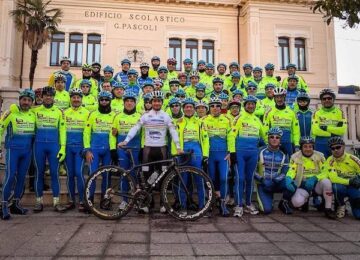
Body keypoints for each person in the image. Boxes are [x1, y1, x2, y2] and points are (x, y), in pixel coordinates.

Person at [118, 91, 183, 213]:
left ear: (162, 102)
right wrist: (126, 140)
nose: (157, 103)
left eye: (159, 101)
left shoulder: (166, 116)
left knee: (163, 177)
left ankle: (164, 204)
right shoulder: (146, 115)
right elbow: (135, 128)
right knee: (147, 178)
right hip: (148, 150)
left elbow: (173, 131)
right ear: (151, 102)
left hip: (162, 150)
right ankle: (147, 204)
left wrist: (178, 146)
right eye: (154, 101)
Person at [0, 89, 36, 220]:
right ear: (20, 100)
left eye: (29, 100)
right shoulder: (10, 112)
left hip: (26, 152)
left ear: (32, 102)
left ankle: (15, 204)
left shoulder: (33, 115)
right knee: (10, 177)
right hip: (13, 150)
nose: (26, 102)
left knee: (21, 178)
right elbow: (0, 128)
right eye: (24, 99)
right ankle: (3, 206)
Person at [230, 95, 265, 217]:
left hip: (253, 154)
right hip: (240, 153)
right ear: (244, 106)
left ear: (255, 106)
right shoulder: (239, 118)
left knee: (250, 179)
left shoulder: (257, 120)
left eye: (253, 104)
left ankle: (248, 203)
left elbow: (264, 137)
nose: (251, 106)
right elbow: (232, 136)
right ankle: (238, 205)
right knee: (240, 179)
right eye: (248, 104)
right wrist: (232, 152)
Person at [33, 87, 67, 213]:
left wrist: (63, 147)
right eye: (46, 95)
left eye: (51, 95)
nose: (48, 97)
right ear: (42, 97)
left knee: (54, 173)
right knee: (39, 173)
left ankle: (56, 202)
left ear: (54, 97)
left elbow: (62, 131)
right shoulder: (35, 111)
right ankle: (38, 202)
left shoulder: (59, 112)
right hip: (39, 146)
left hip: (54, 146)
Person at [173, 98, 209, 214]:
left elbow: (205, 139)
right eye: (186, 107)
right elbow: (174, 139)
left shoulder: (200, 122)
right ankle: (183, 207)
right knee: (183, 181)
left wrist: (205, 155)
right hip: (182, 153)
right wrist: (175, 152)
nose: (188, 109)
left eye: (191, 107)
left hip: (196, 153)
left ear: (194, 109)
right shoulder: (178, 122)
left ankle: (202, 207)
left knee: (199, 181)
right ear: (183, 109)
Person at [286, 137, 336, 219]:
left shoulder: (320, 156)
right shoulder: (295, 157)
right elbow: (292, 170)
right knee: (296, 203)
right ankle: (305, 201)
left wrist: (315, 178)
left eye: (310, 146)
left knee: (327, 182)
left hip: (317, 184)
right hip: (303, 184)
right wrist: (288, 178)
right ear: (301, 147)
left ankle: (328, 209)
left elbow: (326, 172)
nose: (308, 149)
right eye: (305, 146)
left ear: (313, 147)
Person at [83, 91, 116, 206]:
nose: (104, 102)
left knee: (107, 176)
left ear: (110, 101)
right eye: (102, 99)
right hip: (94, 150)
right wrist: (87, 149)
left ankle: (105, 200)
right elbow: (86, 133)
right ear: (98, 101)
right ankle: (89, 200)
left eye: (106, 100)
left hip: (108, 150)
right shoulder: (92, 114)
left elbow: (115, 133)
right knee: (92, 174)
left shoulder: (114, 115)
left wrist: (113, 150)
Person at [110, 91, 141, 210]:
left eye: (131, 101)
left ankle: (136, 200)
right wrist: (113, 149)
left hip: (136, 148)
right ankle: (124, 201)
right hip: (122, 149)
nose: (129, 103)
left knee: (135, 174)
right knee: (124, 174)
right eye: (127, 101)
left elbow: (143, 134)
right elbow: (112, 134)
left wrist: (143, 148)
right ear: (124, 103)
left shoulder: (139, 116)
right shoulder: (117, 116)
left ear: (135, 103)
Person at [202, 97, 232, 216]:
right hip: (210, 154)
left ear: (221, 108)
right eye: (212, 106)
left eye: (217, 106)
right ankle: (209, 202)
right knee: (211, 179)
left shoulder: (227, 119)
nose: (215, 108)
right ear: (209, 108)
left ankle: (223, 203)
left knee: (224, 179)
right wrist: (204, 155)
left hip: (223, 154)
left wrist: (231, 152)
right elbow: (202, 138)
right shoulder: (203, 120)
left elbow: (230, 137)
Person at [63, 88, 89, 212]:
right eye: (74, 97)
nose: (76, 99)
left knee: (79, 174)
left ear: (81, 99)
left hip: (80, 148)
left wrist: (86, 148)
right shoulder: (65, 112)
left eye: (78, 97)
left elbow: (88, 132)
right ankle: (71, 200)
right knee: (70, 174)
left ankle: (83, 200)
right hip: (67, 147)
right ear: (70, 99)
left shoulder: (86, 112)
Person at [255, 127, 290, 214]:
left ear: (280, 140)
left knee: (291, 183)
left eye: (277, 137)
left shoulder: (284, 154)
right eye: (272, 137)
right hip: (263, 184)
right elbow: (251, 170)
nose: (274, 139)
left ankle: (284, 202)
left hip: (276, 183)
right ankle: (269, 199)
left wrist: (275, 180)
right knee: (266, 210)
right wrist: (261, 179)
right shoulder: (260, 151)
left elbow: (285, 171)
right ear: (268, 138)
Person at [323, 137, 360, 219]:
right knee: (336, 187)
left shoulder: (353, 159)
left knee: (358, 215)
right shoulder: (330, 161)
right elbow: (333, 178)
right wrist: (349, 181)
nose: (336, 150)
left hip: (353, 186)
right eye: (333, 148)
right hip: (342, 185)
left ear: (343, 146)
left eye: (338, 147)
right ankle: (341, 205)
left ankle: (353, 203)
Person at [264, 87, 300, 158]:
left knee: (290, 163)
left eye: (281, 97)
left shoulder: (291, 111)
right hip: (273, 143)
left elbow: (296, 130)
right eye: (277, 97)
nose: (279, 99)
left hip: (288, 142)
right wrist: (266, 142)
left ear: (285, 97)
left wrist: (296, 144)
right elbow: (265, 129)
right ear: (274, 98)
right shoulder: (268, 112)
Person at [312, 88, 347, 158]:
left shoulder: (340, 112)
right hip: (320, 143)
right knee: (321, 165)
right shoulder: (317, 113)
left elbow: (342, 130)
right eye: (324, 99)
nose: (326, 100)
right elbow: (315, 131)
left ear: (333, 99)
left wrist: (325, 128)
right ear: (321, 101)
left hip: (336, 144)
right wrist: (333, 131)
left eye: (329, 98)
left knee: (337, 165)